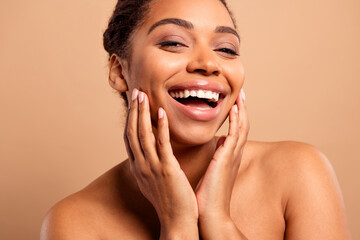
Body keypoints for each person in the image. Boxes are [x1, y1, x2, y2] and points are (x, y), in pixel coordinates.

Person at [40, 0, 352, 239]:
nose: (208, 63)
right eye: (174, 42)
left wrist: (218, 220)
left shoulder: (299, 173)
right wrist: (178, 225)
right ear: (119, 70)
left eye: (226, 48)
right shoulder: (74, 222)